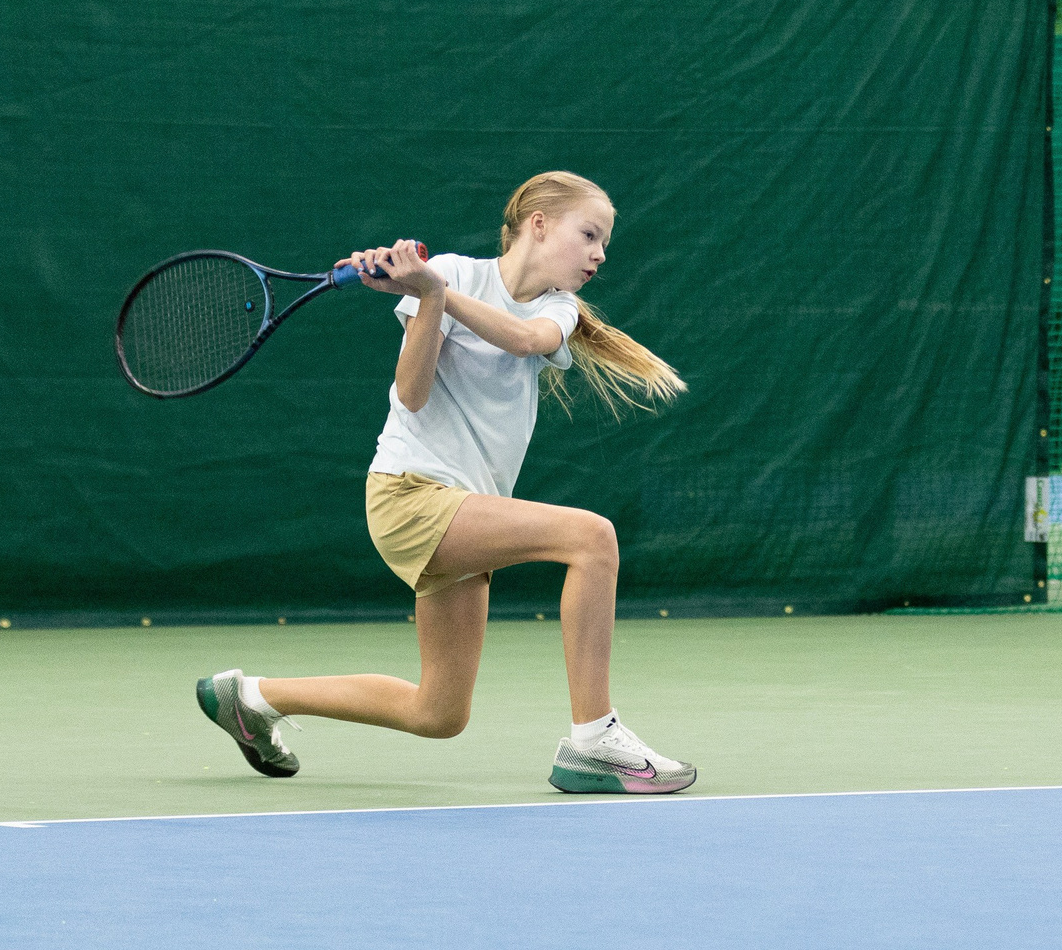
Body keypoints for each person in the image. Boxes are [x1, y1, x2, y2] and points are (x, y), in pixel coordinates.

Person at [196, 171, 695, 792]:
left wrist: (434, 289)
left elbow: (524, 340)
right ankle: (595, 739)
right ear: (539, 225)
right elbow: (412, 393)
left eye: (604, 244)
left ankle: (251, 698)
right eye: (590, 235)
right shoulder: (456, 272)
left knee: (439, 713)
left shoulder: (556, 309)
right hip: (409, 496)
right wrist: (431, 294)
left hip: (462, 511)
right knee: (592, 539)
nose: (600, 255)